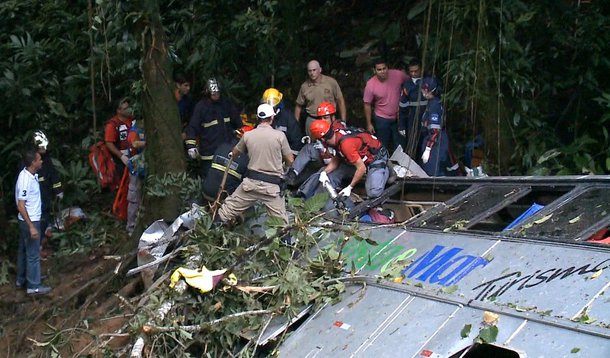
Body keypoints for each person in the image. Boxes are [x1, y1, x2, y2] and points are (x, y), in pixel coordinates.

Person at [216, 103, 294, 227]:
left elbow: (234, 153)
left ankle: (210, 232)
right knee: (282, 225)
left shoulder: (248, 135)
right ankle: (286, 244)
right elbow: (290, 159)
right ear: (272, 118)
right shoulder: (280, 136)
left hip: (250, 185)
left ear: (257, 118)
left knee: (226, 211)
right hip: (272, 188)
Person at [185, 77, 242, 179]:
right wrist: (191, 146)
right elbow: (193, 127)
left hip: (226, 153)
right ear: (208, 93)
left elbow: (238, 124)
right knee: (209, 180)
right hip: (209, 154)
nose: (216, 96)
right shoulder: (201, 107)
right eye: (213, 94)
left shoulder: (226, 105)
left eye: (218, 93)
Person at [15, 149, 51, 295]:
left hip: (28, 220)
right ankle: (34, 286)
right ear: (33, 163)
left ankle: (22, 279)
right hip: (30, 221)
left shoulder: (31, 175)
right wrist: (31, 226)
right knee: (33, 254)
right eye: (39, 159)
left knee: (24, 251)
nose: (42, 161)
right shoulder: (25, 180)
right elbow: (21, 205)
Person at [285, 101, 345, 186]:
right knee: (309, 148)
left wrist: (323, 148)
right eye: (320, 118)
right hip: (323, 155)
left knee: (322, 172)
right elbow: (316, 140)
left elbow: (338, 154)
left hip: (335, 160)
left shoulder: (339, 128)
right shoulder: (321, 126)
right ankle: (293, 173)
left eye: (326, 117)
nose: (323, 120)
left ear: (333, 117)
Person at [363, 58, 408, 153]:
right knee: (382, 145)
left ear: (388, 68)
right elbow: (367, 104)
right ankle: (382, 165)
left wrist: (406, 91)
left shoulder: (398, 75)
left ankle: (399, 165)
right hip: (381, 118)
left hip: (399, 117)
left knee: (400, 144)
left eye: (384, 68)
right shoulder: (371, 84)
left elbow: (410, 82)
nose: (382, 71)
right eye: (379, 70)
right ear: (374, 71)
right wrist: (369, 123)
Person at [32, 131, 63, 257]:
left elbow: (53, 175)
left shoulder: (46, 159)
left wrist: (58, 190)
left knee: (46, 221)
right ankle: (36, 249)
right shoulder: (30, 161)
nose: (44, 149)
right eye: (41, 147)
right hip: (35, 200)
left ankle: (41, 245)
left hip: (46, 197)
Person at [294, 60, 347, 135]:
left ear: (320, 70)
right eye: (310, 71)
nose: (312, 73)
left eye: (314, 70)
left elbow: (340, 100)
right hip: (312, 119)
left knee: (331, 142)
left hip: (329, 118)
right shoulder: (304, 86)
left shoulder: (331, 82)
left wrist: (343, 121)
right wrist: (295, 124)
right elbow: (298, 106)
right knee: (312, 144)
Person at [419, 77, 451, 176]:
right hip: (433, 139)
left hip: (435, 141)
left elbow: (435, 130)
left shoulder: (434, 105)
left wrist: (428, 148)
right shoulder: (432, 103)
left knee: (433, 170)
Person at [399, 59, 428, 155]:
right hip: (412, 118)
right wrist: (402, 125)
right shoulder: (407, 85)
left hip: (427, 117)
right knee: (412, 144)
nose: (414, 74)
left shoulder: (429, 82)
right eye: (411, 71)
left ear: (421, 70)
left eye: (416, 71)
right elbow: (403, 106)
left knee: (426, 143)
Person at [261, 87, 303, 155]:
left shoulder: (288, 117)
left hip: (285, 154)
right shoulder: (262, 116)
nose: (270, 106)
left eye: (273, 102)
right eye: (266, 102)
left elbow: (296, 141)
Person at [105, 97, 135, 177]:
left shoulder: (132, 119)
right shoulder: (112, 125)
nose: (129, 110)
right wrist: (121, 156)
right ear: (119, 111)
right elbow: (109, 143)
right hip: (121, 159)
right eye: (125, 109)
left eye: (129, 107)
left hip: (135, 155)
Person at [126, 121, 146, 235]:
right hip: (135, 169)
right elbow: (134, 143)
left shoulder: (146, 130)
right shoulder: (134, 131)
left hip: (145, 169)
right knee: (134, 199)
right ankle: (131, 227)